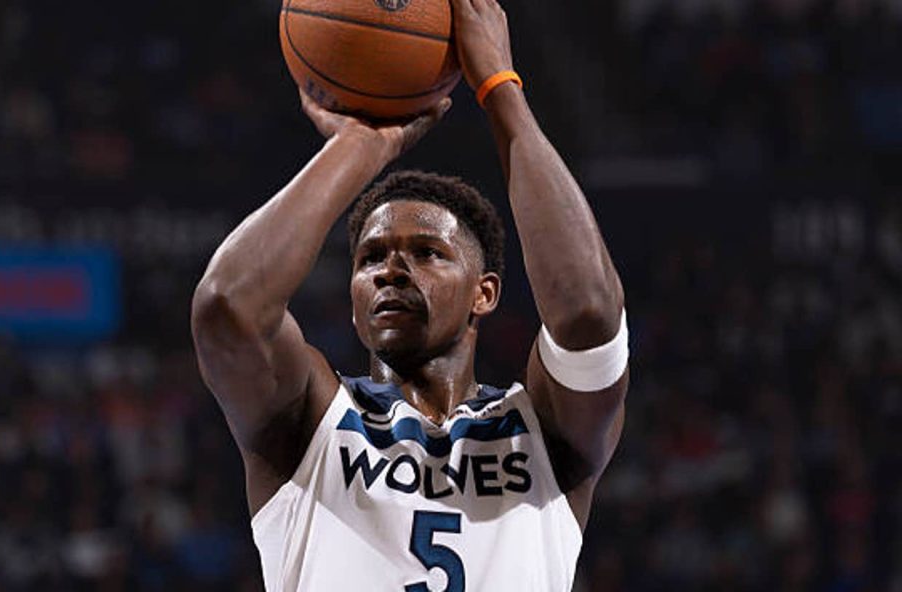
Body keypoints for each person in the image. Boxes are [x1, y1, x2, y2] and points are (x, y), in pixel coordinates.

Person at [191, 0, 629, 589]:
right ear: (351, 300)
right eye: (371, 258)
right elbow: (226, 308)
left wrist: (501, 90)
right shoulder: (308, 424)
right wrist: (363, 146)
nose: (391, 269)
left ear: (485, 293)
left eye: (426, 253)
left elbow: (589, 312)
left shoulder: (546, 436)